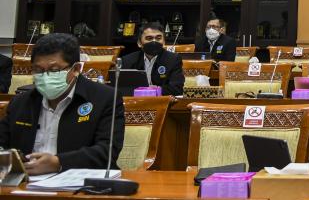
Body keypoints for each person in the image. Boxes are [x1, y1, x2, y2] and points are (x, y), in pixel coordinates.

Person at [0, 33, 125, 174]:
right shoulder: (20, 102)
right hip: (24, 183)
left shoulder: (105, 98)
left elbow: (107, 151)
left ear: (76, 69)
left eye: (54, 70)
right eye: (38, 70)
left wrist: (58, 163)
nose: (45, 77)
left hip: (78, 183)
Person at [121, 22, 184, 96]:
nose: (154, 41)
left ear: (163, 42)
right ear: (139, 43)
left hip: (161, 103)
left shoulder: (173, 59)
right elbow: (123, 88)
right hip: (136, 102)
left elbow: (177, 89)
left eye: (158, 38)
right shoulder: (127, 60)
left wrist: (155, 90)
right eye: (149, 38)